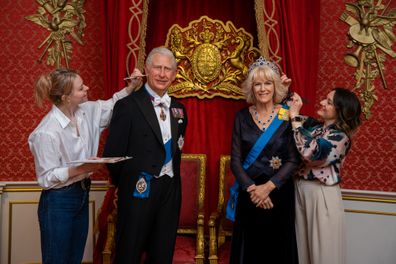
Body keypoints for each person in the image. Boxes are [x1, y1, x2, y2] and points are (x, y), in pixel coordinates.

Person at [28, 68, 141, 264]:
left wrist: (131, 87)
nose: (87, 88)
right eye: (81, 88)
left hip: (82, 194)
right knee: (57, 260)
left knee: (75, 259)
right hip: (58, 201)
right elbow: (46, 178)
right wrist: (82, 168)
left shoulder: (86, 111)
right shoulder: (46, 132)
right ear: (66, 97)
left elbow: (112, 105)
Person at [103, 47, 188, 263]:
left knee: (162, 253)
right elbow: (113, 155)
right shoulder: (127, 106)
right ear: (147, 71)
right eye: (157, 68)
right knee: (128, 254)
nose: (162, 74)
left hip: (169, 191)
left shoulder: (179, 109)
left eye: (167, 69)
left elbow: (177, 148)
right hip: (137, 191)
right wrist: (131, 181)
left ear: (174, 74)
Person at [229, 57, 300, 264]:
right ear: (251, 88)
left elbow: (293, 160)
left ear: (275, 86)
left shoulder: (286, 115)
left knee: (277, 251)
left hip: (278, 192)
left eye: (267, 83)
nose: (262, 89)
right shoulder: (241, 117)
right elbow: (235, 160)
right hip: (249, 194)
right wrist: (253, 189)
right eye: (257, 84)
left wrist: (267, 188)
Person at [289, 88, 362, 264]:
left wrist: (294, 118)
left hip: (321, 193)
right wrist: (285, 91)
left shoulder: (340, 136)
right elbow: (287, 114)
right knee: (303, 252)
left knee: (323, 253)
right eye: (325, 99)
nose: (322, 102)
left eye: (329, 102)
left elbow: (310, 153)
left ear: (340, 111)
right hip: (300, 189)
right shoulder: (315, 127)